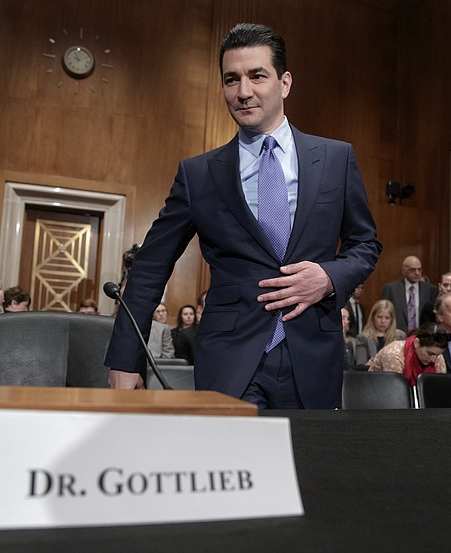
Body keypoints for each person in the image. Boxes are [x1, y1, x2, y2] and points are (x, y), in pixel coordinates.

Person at [104, 23, 381, 409]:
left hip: (313, 355)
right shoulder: (198, 175)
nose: (243, 92)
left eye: (257, 76)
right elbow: (150, 266)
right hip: (229, 362)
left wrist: (329, 277)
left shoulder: (336, 158)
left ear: (284, 83)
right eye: (231, 79)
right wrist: (124, 359)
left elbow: (364, 244)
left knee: (307, 467)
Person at [368, 322, 449, 386]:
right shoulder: (393, 355)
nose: (433, 359)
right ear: (417, 343)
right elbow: (394, 392)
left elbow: (439, 389)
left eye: (437, 355)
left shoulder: (438, 357)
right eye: (430, 353)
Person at [380, 256, 438, 334]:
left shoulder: (431, 290)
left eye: (419, 269)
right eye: (412, 270)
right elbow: (383, 312)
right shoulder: (391, 289)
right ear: (404, 270)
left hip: (423, 337)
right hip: (396, 336)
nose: (417, 273)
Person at [353, 299, 406, 365]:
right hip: (371, 374)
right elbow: (360, 365)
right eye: (379, 317)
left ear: (392, 320)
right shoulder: (362, 338)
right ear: (373, 317)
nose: (383, 321)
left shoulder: (400, 336)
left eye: (387, 318)